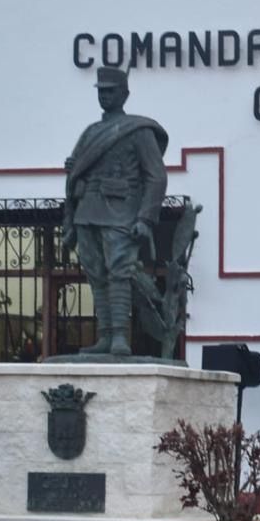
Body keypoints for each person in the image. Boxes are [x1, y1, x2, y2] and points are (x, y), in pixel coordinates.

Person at [61, 66, 169, 356]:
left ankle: (121, 336)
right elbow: (75, 176)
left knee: (119, 273)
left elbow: (156, 176)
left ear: (125, 93)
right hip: (88, 211)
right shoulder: (91, 132)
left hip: (121, 211)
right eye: (101, 91)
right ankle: (105, 336)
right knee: (95, 274)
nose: (105, 96)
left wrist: (145, 218)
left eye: (110, 91)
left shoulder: (139, 130)